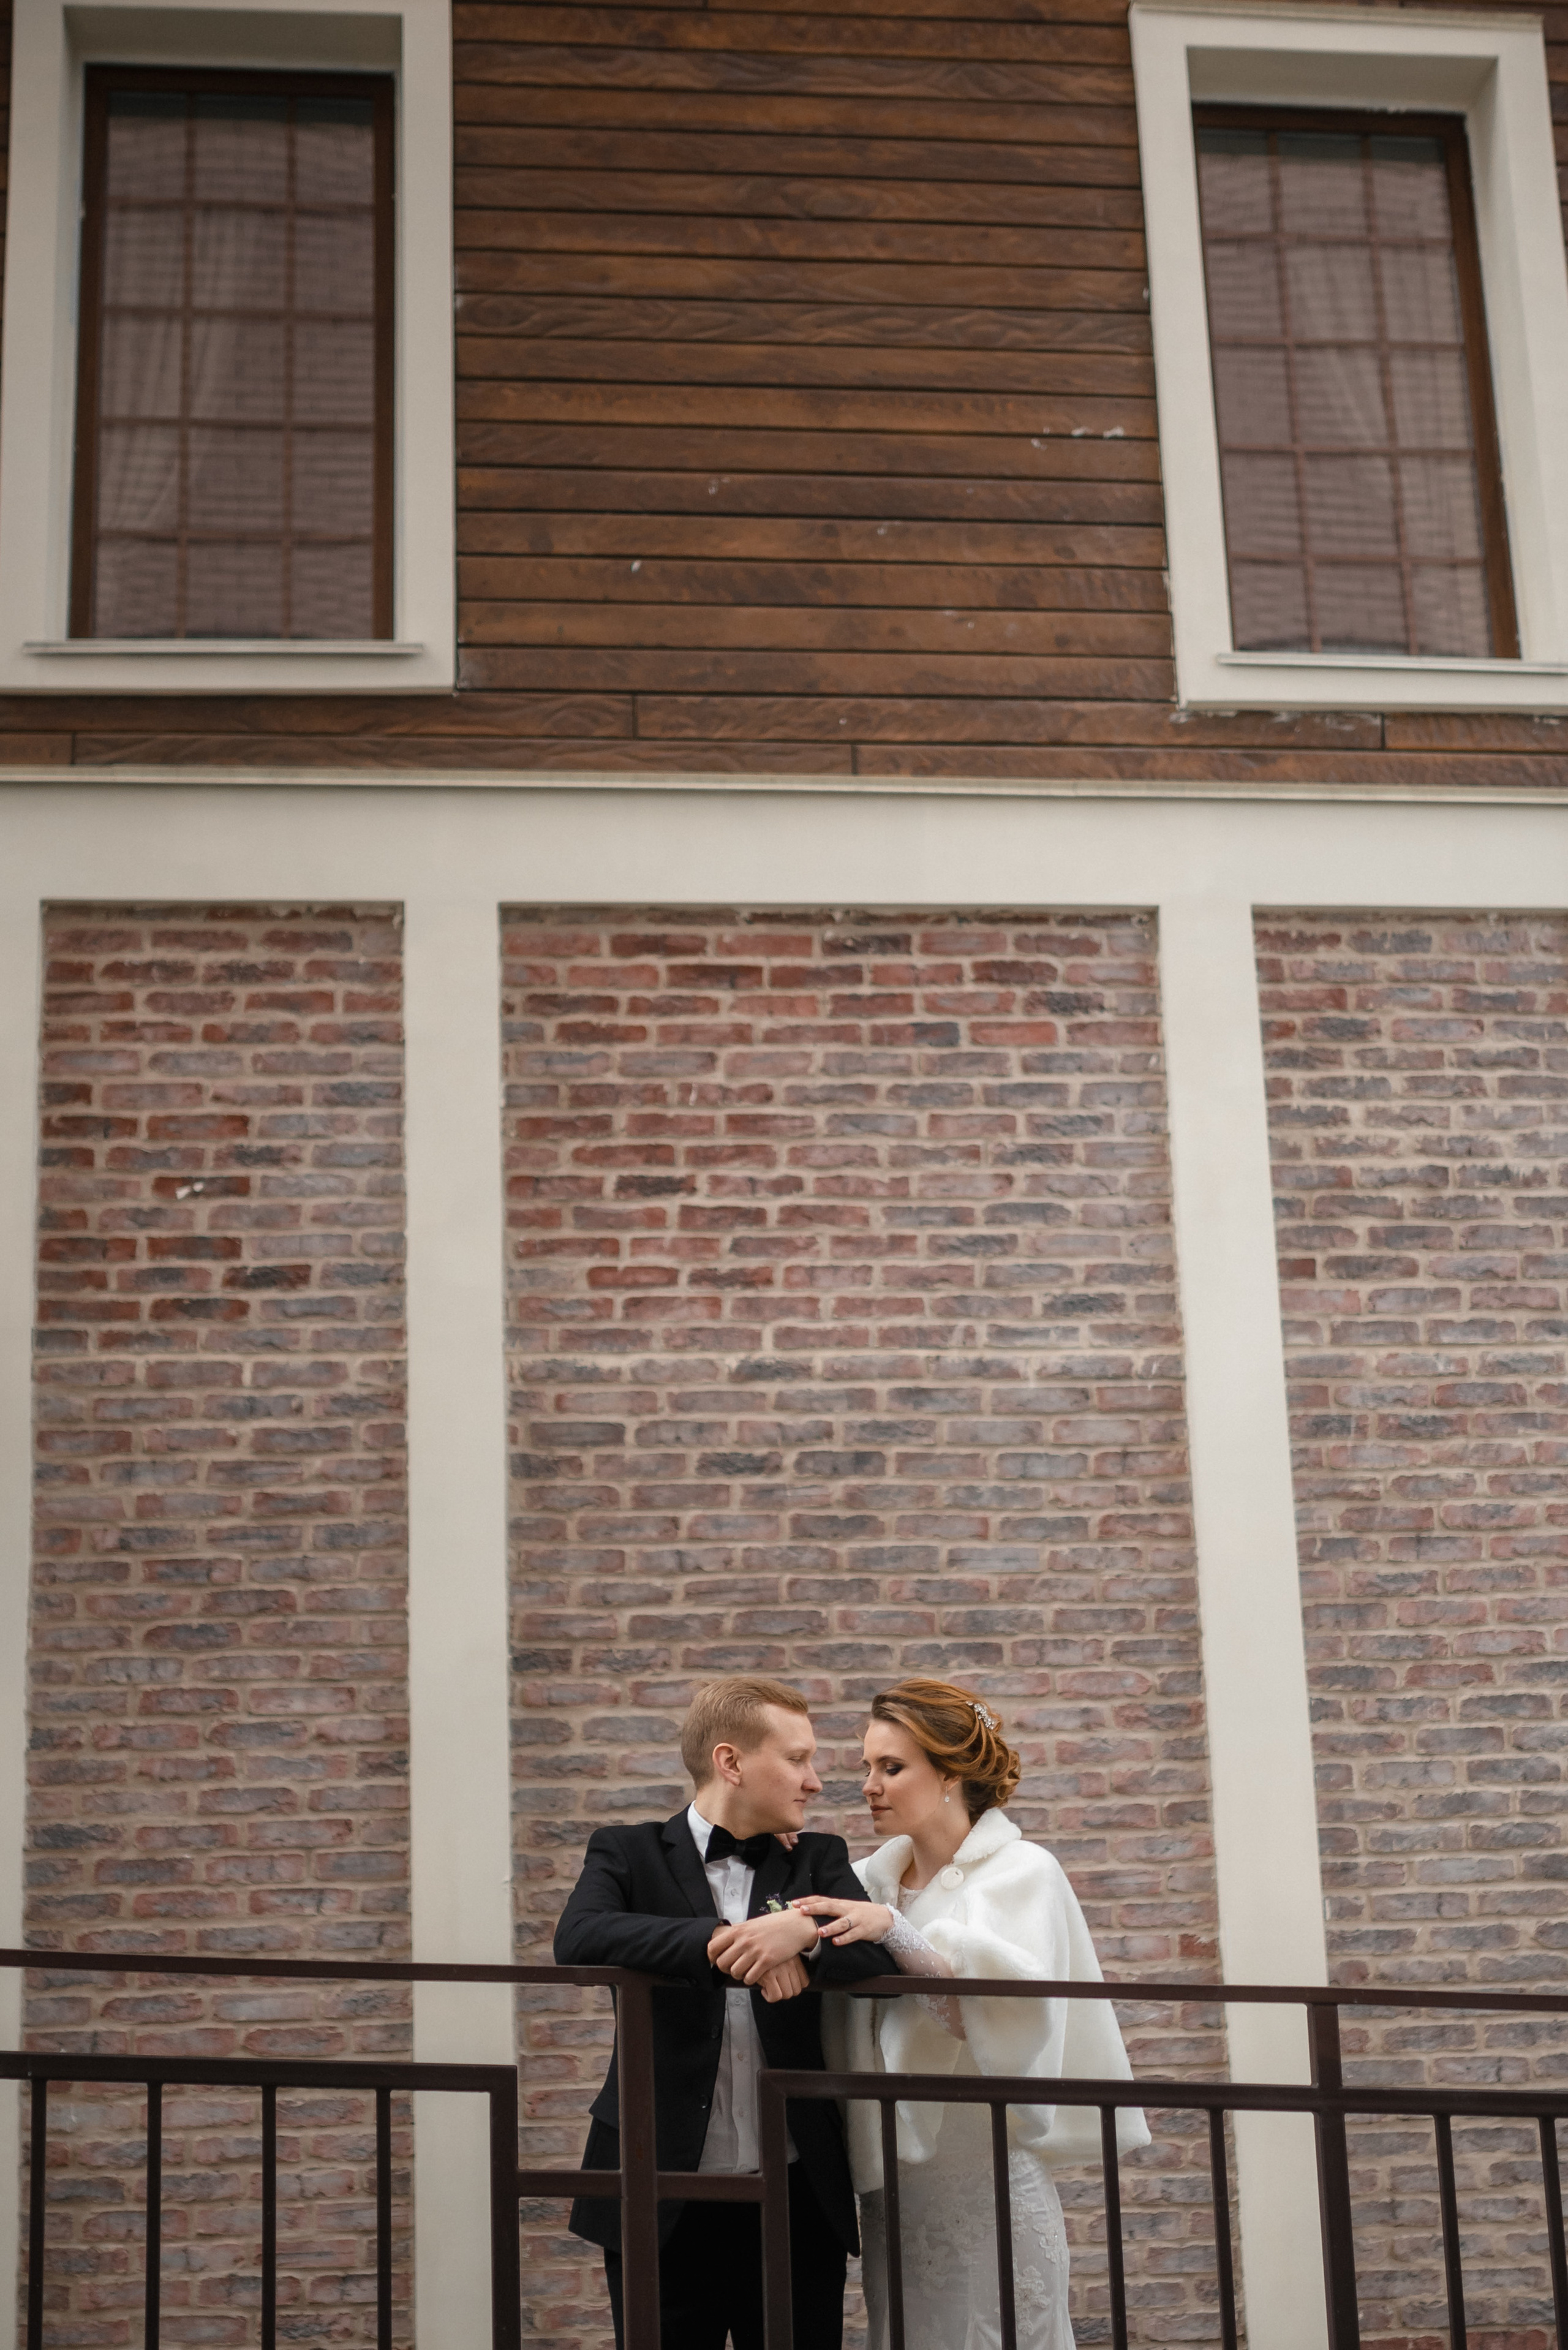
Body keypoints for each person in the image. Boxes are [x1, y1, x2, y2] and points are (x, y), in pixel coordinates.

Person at [795, 1678, 1149, 2350]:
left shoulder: (1023, 1870)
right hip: (893, 2189)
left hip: (987, 2177)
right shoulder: (865, 1878)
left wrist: (893, 1929)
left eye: (891, 1767)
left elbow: (989, 2016)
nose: (868, 1784)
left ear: (950, 1772)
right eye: (866, 1766)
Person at [552, 1674, 894, 2350]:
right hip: (656, 2187)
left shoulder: (818, 1857)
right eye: (796, 1758)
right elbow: (579, 1934)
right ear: (730, 1762)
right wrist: (721, 1942)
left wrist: (801, 1936)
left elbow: (875, 1961)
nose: (816, 1780)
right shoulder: (625, 1850)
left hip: (796, 2191)